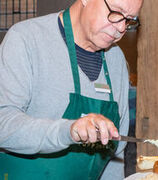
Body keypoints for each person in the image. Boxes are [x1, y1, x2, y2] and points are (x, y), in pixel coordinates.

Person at [0, 0, 143, 179]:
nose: (121, 28)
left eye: (129, 20)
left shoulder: (116, 60)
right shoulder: (26, 39)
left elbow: (115, 155)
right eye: (115, 12)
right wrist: (67, 131)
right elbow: (3, 125)